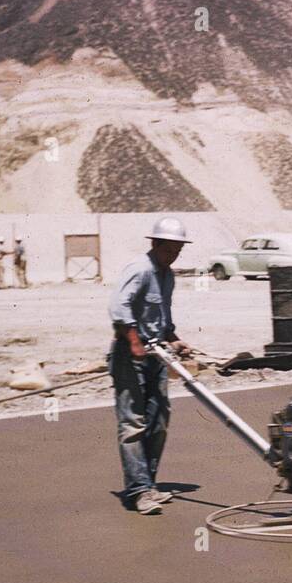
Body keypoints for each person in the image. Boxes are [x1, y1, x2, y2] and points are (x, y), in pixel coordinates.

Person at [107, 216, 194, 514]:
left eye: (178, 250)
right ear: (155, 244)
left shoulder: (167, 276)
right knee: (133, 424)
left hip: (155, 355)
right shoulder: (140, 269)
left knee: (158, 421)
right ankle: (138, 490)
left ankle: (148, 483)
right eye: (170, 249)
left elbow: (163, 320)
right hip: (130, 355)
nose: (174, 255)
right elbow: (119, 308)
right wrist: (133, 342)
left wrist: (175, 339)